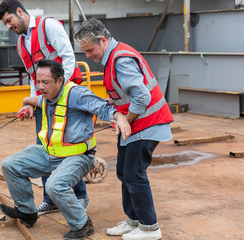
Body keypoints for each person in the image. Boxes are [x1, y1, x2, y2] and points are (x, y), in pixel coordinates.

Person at [0, 59, 130, 239]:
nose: (40, 87)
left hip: (78, 157)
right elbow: (33, 99)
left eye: (46, 82)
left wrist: (119, 117)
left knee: (54, 185)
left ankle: (82, 224)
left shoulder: (77, 94)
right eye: (38, 81)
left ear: (60, 81)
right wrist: (27, 104)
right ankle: (27, 213)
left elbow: (102, 107)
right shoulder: (47, 96)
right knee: (10, 165)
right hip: (50, 153)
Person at [74, 18, 174, 240]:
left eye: (90, 50)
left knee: (134, 173)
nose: (88, 56)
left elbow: (143, 96)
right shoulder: (113, 57)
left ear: (103, 40)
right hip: (136, 124)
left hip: (148, 123)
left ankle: (150, 228)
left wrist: (125, 120)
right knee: (123, 171)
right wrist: (114, 106)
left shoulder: (120, 60)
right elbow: (125, 93)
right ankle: (134, 220)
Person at [0, 0, 88, 216]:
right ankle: (51, 199)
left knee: (69, 146)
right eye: (6, 24)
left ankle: (80, 196)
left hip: (66, 96)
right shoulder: (21, 43)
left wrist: (60, 92)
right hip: (45, 101)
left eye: (9, 20)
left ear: (19, 11)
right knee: (45, 147)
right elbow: (33, 76)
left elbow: (68, 57)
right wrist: (31, 102)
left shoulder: (49, 26)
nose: (9, 27)